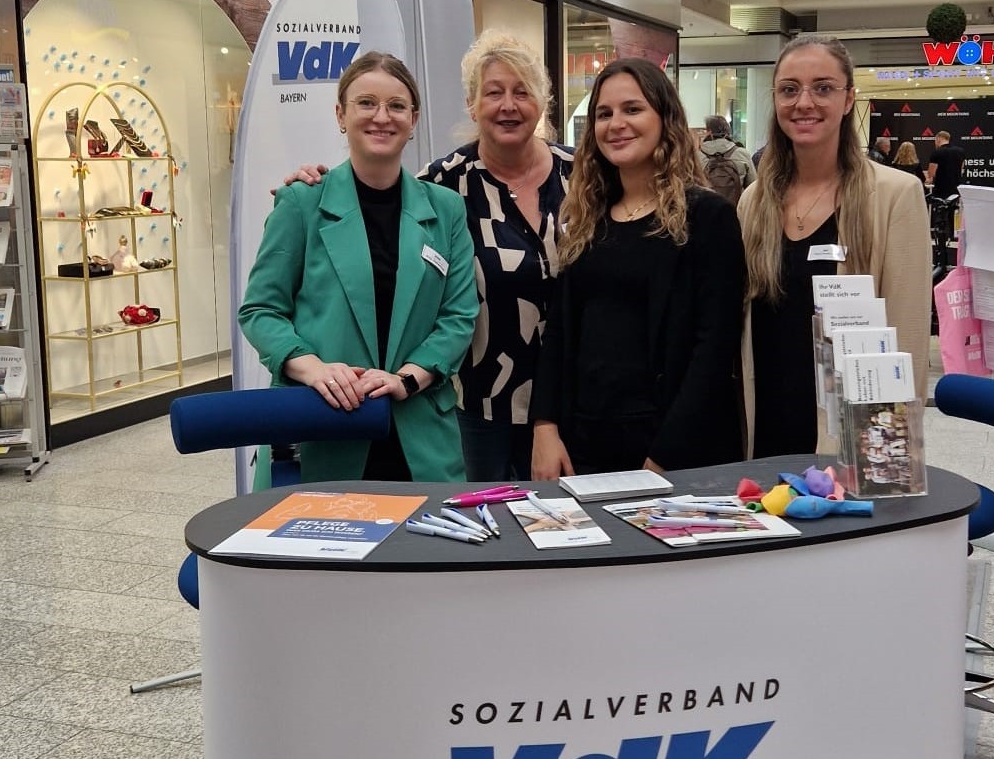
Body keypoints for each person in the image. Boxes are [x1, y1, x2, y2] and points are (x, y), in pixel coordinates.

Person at [281, 32, 572, 483]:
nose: (508, 105)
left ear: (543, 103)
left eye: (522, 92)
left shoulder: (585, 175)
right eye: (493, 92)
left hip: (573, 398)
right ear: (472, 105)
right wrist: (310, 184)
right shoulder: (444, 185)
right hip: (478, 404)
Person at [239, 52, 479, 483]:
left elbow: (458, 316)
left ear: (413, 118)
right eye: (366, 103)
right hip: (323, 427)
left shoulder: (445, 210)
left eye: (396, 106)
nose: (381, 117)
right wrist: (313, 367)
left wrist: (406, 379)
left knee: (426, 547)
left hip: (418, 429)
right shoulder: (301, 203)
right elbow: (260, 311)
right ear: (340, 115)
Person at [530, 58, 745, 478]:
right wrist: (544, 425)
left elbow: (714, 348)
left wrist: (667, 455)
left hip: (670, 452)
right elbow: (559, 330)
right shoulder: (587, 217)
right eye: (603, 114)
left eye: (632, 109)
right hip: (583, 446)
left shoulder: (707, 217)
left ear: (665, 118)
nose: (616, 124)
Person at [739, 35, 931, 458]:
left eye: (823, 88)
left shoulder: (895, 195)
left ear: (848, 100)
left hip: (846, 440)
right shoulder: (755, 202)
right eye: (789, 89)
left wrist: (885, 453)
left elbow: (907, 341)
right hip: (766, 427)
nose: (804, 102)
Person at [699, 115, 755, 205]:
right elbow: (753, 189)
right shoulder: (742, 154)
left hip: (706, 214)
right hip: (735, 213)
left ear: (709, 132)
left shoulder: (697, 156)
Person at [926, 129, 966, 199]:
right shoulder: (961, 151)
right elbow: (961, 168)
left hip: (941, 190)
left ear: (938, 139)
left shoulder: (936, 153)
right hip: (956, 189)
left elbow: (931, 173)